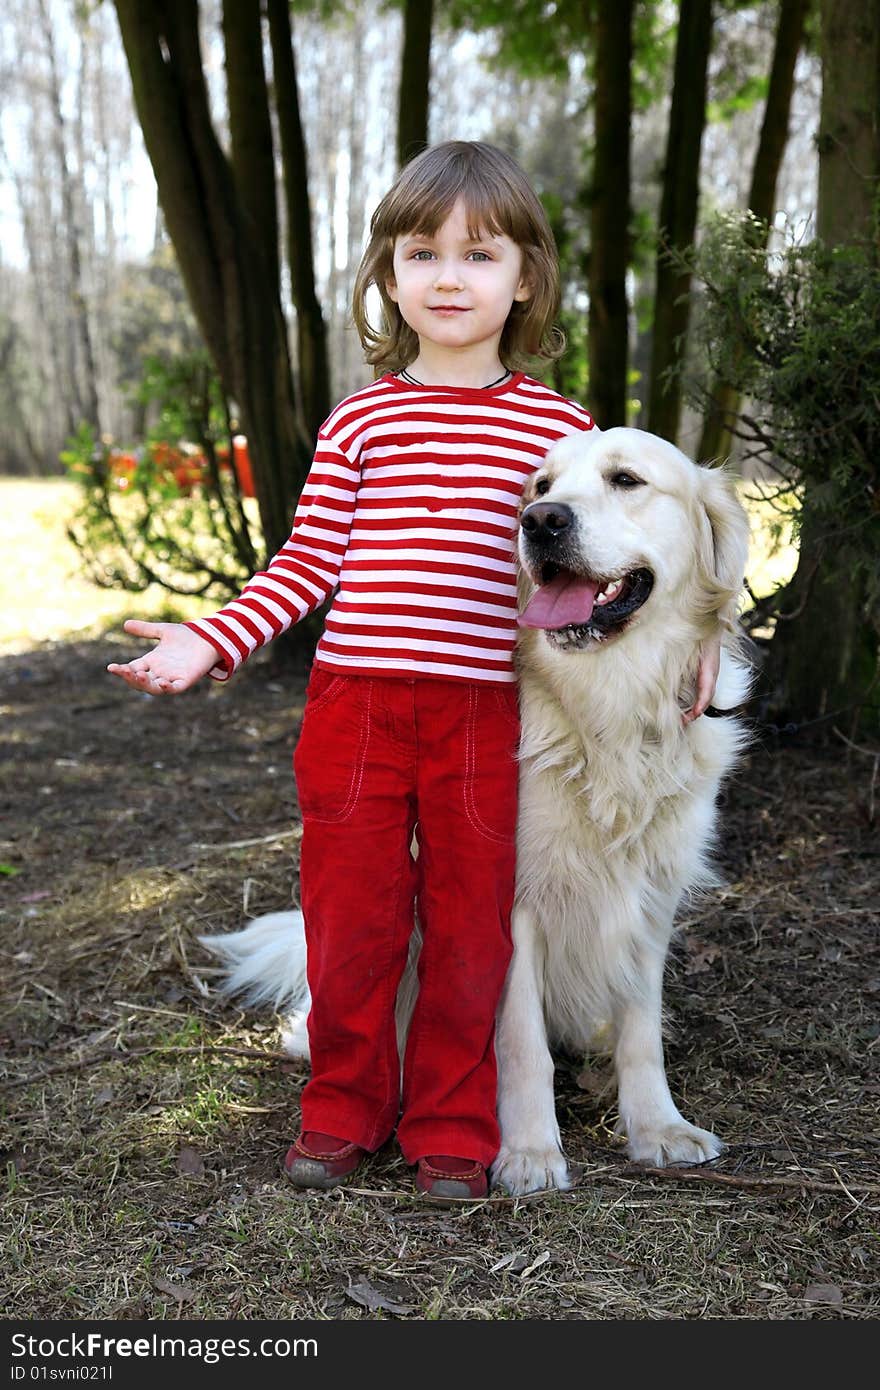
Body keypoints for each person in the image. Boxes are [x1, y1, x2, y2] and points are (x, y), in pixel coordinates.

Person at [107, 141, 719, 1201]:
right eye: (420, 252)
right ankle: (344, 1107)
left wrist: (700, 641)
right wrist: (212, 637)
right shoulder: (360, 419)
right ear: (387, 274)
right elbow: (307, 561)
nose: (447, 276)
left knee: (476, 924)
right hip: (355, 706)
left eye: (477, 254)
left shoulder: (557, 427)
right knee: (354, 916)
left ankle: (451, 1122)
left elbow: (618, 556)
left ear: (523, 277)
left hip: (485, 708)